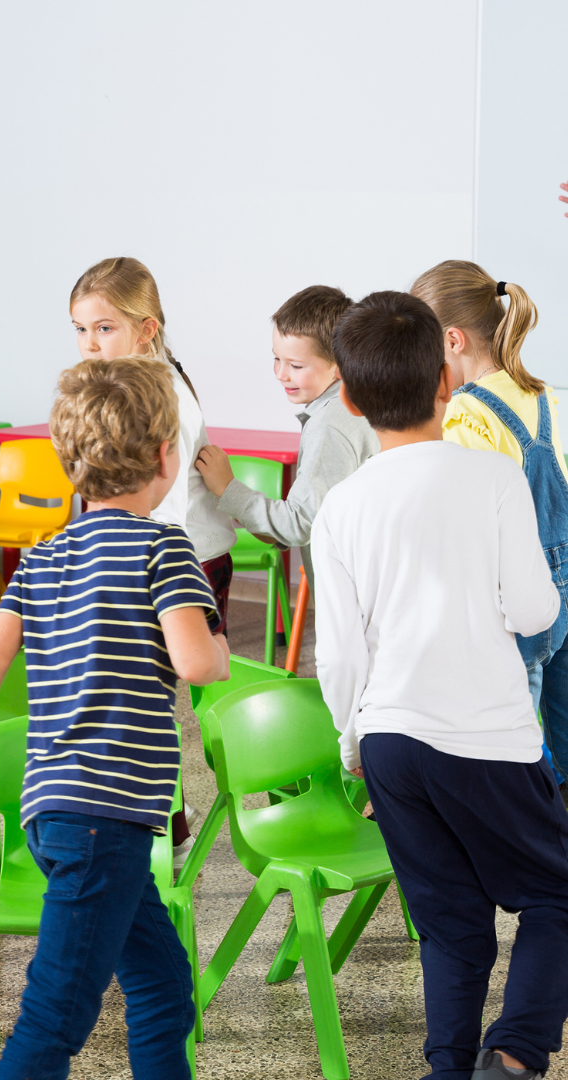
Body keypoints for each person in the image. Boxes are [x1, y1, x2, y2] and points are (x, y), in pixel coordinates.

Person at [0, 357, 230, 1080]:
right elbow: (196, 665)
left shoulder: (43, 557)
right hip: (108, 818)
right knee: (57, 1017)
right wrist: (218, 643)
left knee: (161, 983)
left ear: (70, 464)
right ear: (166, 457)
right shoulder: (164, 547)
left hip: (53, 812)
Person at [313, 289, 568, 1080]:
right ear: (446, 381)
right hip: (485, 734)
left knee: (453, 922)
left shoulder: (342, 506)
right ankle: (517, 1054)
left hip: (389, 740)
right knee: (557, 897)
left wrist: (353, 742)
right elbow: (534, 611)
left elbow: (339, 657)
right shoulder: (492, 480)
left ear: (349, 398)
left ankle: (448, 1068)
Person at [69, 255, 233, 865]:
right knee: (141, 698)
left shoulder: (165, 395)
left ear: (148, 329)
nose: (90, 343)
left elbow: (162, 508)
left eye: (104, 328)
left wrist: (116, 571)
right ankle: (164, 814)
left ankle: (176, 818)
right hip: (136, 558)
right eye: (81, 329)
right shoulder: (117, 383)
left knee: (157, 697)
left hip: (175, 561)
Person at [412, 261, 568, 791]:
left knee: (512, 734)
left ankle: (523, 831)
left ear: (452, 340)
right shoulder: (542, 394)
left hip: (515, 594)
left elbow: (469, 523)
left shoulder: (466, 414)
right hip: (564, 585)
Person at [194, 285, 379, 596]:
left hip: (354, 593)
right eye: (276, 359)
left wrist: (227, 488)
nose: (281, 374)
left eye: (296, 366)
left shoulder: (330, 425)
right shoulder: (354, 406)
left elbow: (299, 524)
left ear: (339, 365)